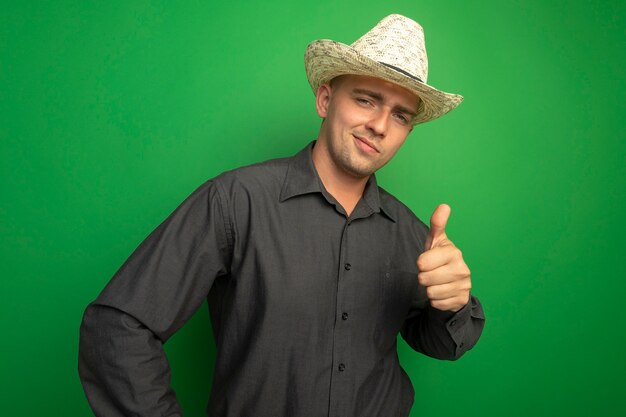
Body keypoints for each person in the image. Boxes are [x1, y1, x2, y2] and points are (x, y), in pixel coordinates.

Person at [79, 14, 485, 417]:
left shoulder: (414, 235)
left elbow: (442, 344)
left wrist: (452, 304)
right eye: (365, 99)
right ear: (325, 100)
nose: (379, 125)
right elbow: (117, 329)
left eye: (400, 115)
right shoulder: (236, 200)